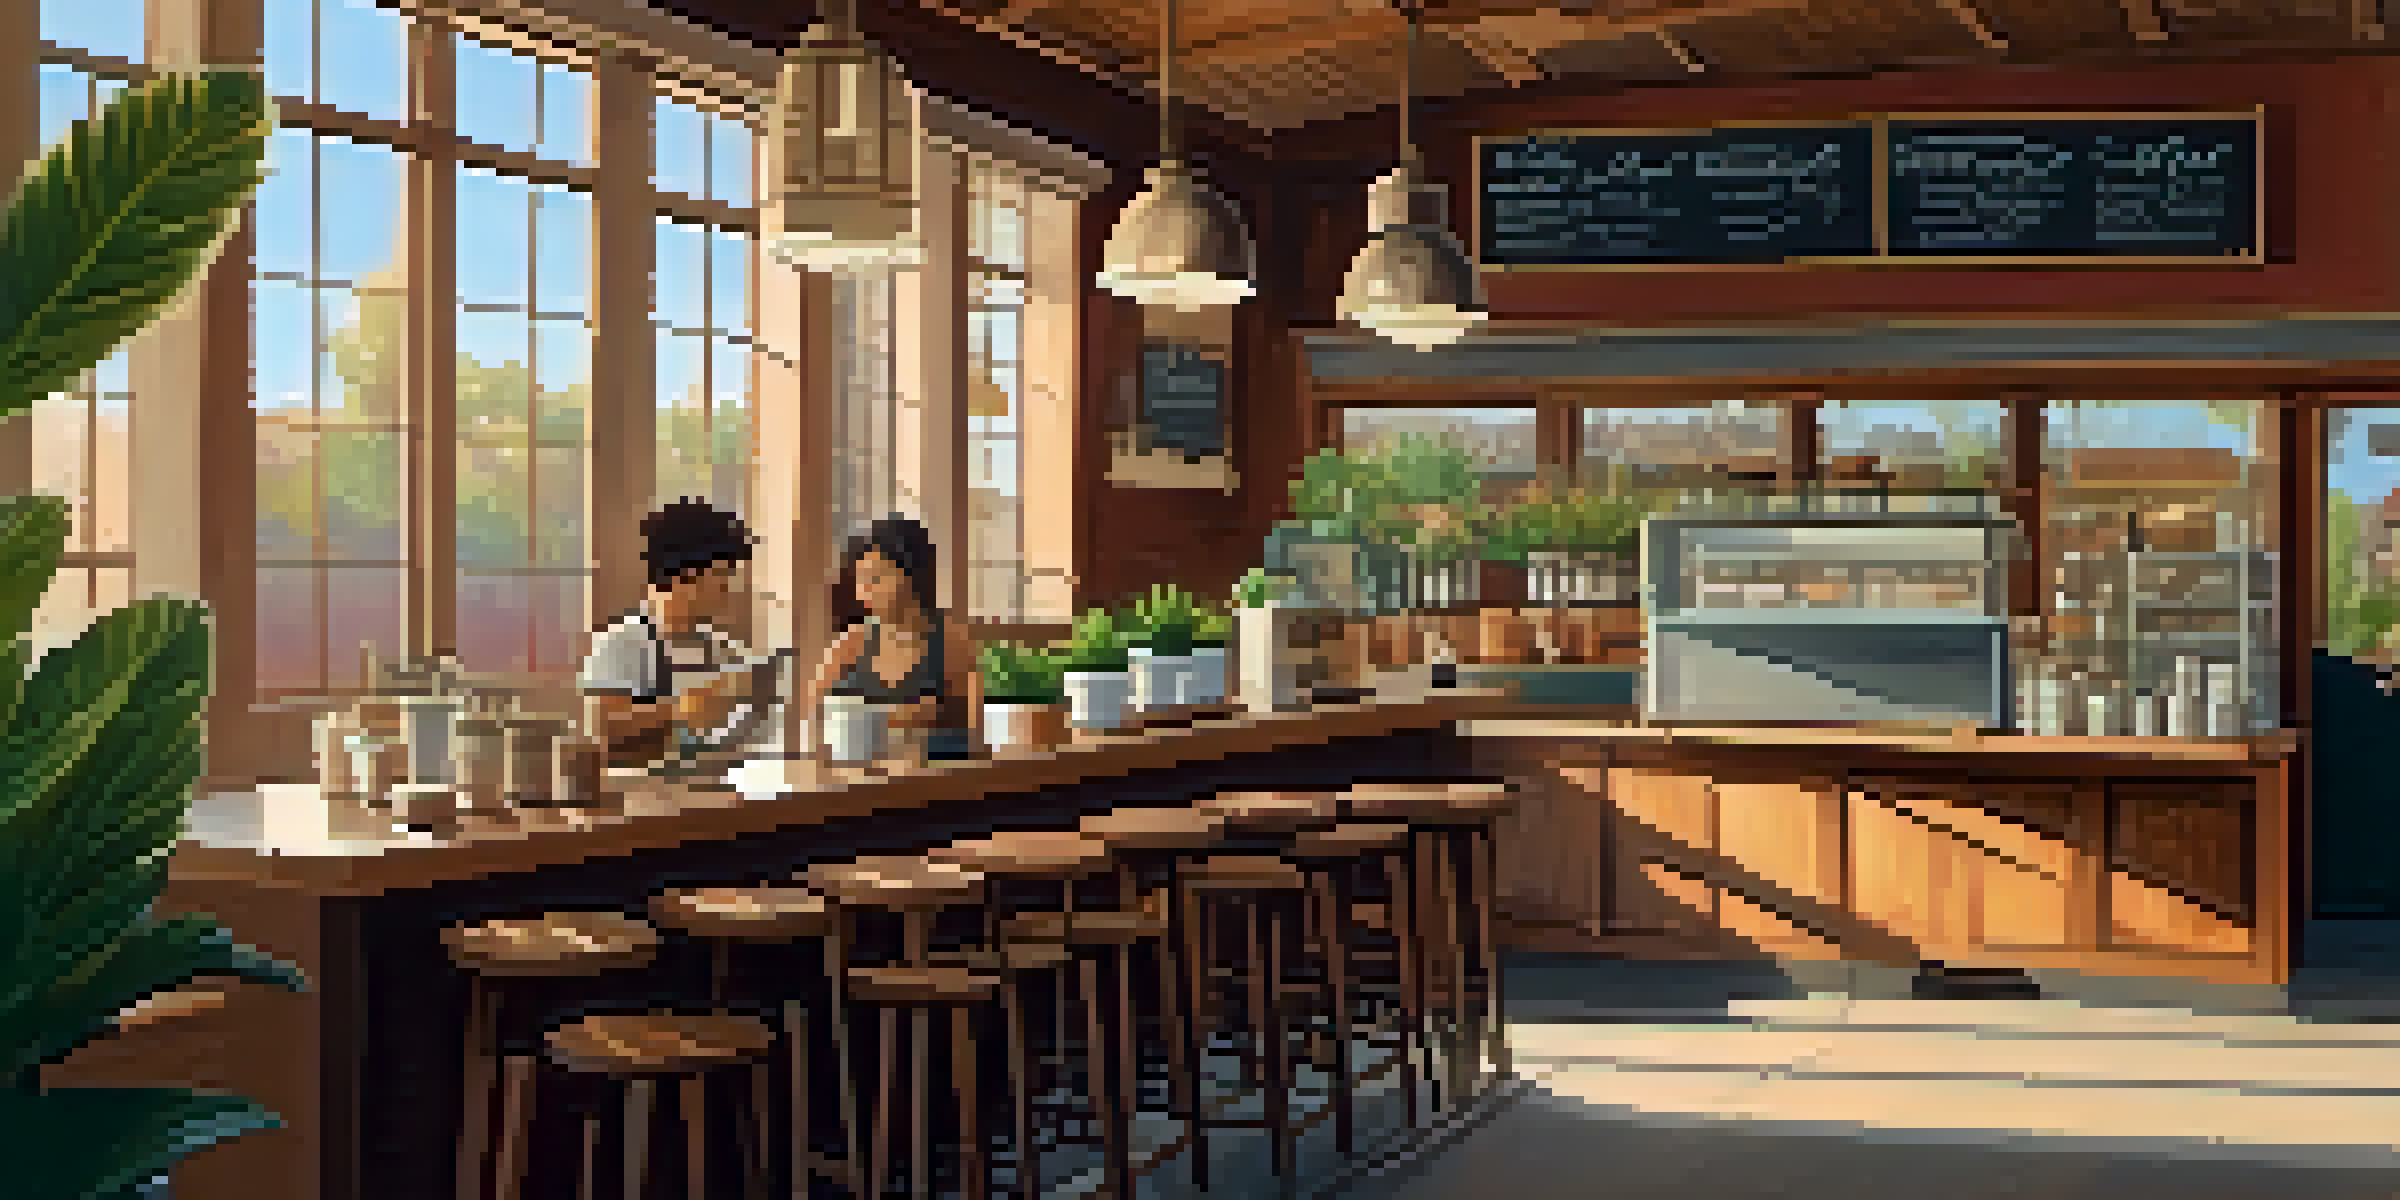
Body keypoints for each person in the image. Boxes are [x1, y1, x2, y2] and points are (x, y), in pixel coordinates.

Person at [580, 498, 780, 767]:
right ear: (683, 574)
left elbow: (750, 743)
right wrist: (683, 709)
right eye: (721, 573)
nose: (728, 586)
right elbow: (603, 732)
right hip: (645, 801)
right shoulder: (622, 644)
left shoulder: (726, 651)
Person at [800, 515, 979, 758]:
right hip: (852, 778)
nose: (864, 591)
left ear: (913, 575)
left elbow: (970, 735)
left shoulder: (949, 643)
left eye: (876, 578)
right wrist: (902, 715)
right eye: (860, 580)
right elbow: (813, 715)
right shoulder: (852, 642)